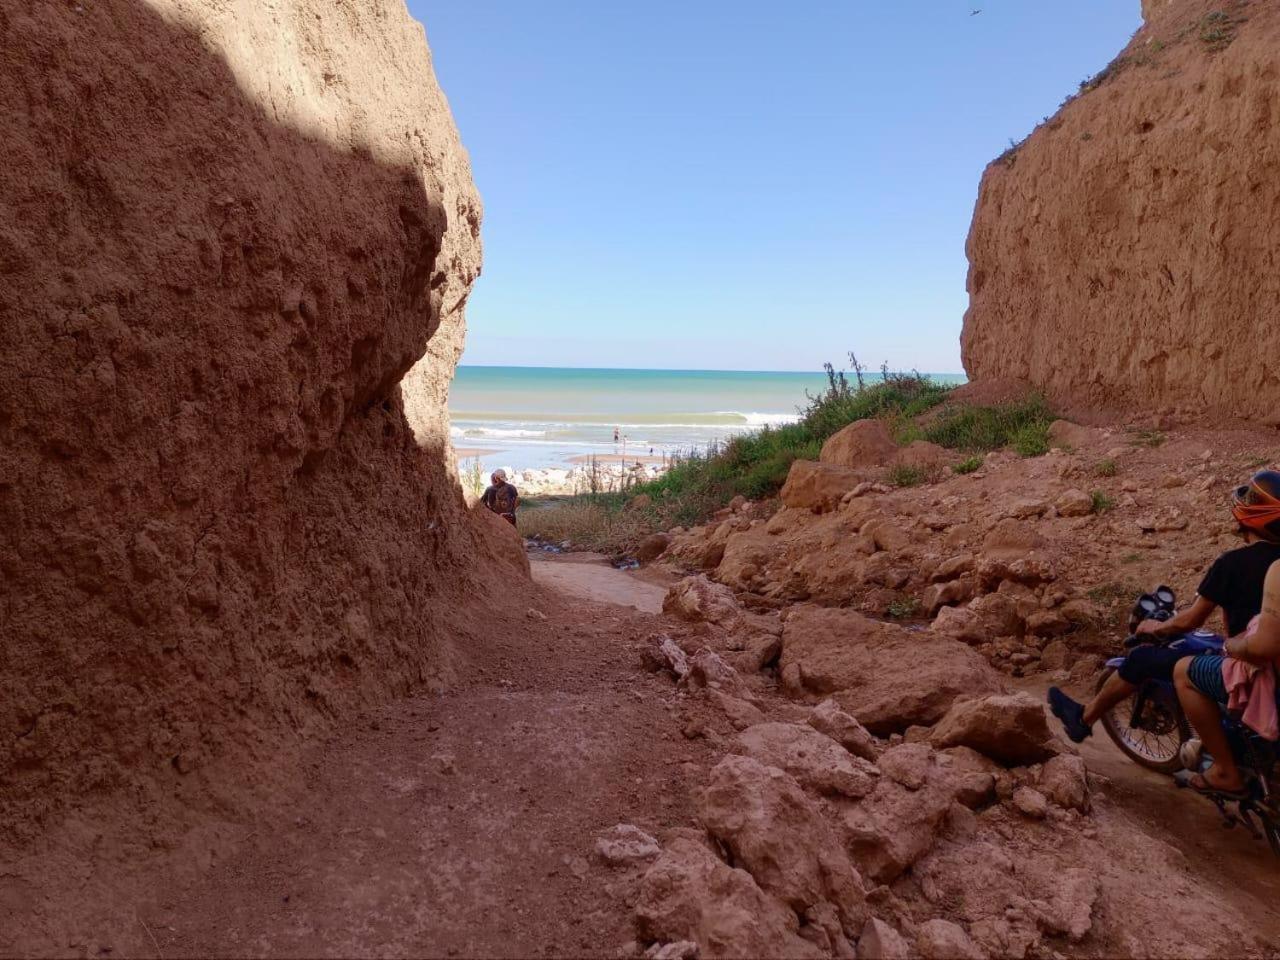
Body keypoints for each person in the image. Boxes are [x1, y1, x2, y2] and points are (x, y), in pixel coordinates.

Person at [1049, 470, 1280, 743]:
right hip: (1265, 659)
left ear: (1247, 516)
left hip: (1251, 660)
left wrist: (1157, 627)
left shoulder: (1232, 564)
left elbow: (1191, 620)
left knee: (1144, 660)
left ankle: (1083, 719)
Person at [1173, 479, 1280, 795]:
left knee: (1184, 672)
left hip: (1270, 676)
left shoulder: (1266, 568)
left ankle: (1225, 771)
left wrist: (1232, 645)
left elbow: (1262, 647)